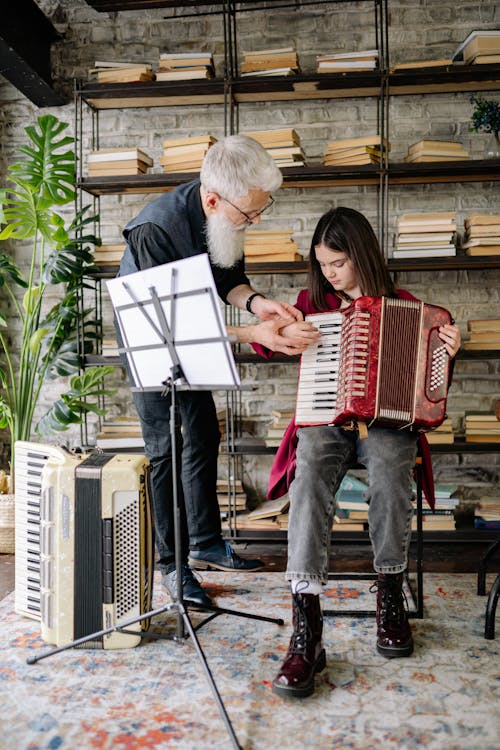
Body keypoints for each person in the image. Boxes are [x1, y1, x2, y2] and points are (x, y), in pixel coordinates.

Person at [253, 206, 461, 698]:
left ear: (362, 255)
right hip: (327, 419)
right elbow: (266, 346)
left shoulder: (408, 305)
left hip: (386, 423)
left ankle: (390, 591)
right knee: (307, 480)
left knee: (392, 469)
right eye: (323, 264)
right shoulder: (311, 302)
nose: (330, 274)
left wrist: (445, 352)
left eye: (338, 263)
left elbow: (429, 393)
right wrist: (283, 335)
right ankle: (307, 623)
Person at [117, 134, 317, 609]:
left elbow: (228, 280)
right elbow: (174, 326)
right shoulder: (155, 231)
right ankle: (172, 565)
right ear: (212, 199)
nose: (255, 221)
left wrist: (257, 304)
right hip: (153, 345)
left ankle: (205, 542)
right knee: (166, 447)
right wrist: (258, 336)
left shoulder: (225, 211)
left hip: (199, 338)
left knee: (204, 432)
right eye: (250, 215)